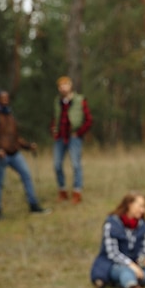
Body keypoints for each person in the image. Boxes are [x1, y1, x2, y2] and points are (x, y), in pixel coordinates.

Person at [0, 91, 51, 219]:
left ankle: (33, 205)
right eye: (2, 99)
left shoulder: (10, 115)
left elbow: (15, 137)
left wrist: (28, 146)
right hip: (1, 154)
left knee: (26, 175)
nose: (5, 101)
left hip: (14, 153)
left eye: (7, 98)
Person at [90, 191, 145, 288]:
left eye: (144, 207)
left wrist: (142, 261)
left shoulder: (142, 226)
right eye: (140, 206)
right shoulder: (111, 224)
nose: (143, 210)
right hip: (113, 264)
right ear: (129, 205)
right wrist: (131, 265)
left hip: (135, 264)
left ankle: (124, 282)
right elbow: (112, 253)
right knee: (125, 271)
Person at [50, 76, 93, 204]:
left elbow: (89, 120)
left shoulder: (80, 100)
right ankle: (62, 192)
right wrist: (53, 129)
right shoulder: (57, 101)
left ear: (70, 86)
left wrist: (79, 133)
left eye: (65, 85)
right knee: (57, 165)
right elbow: (55, 118)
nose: (63, 88)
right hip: (60, 138)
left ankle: (77, 193)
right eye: (60, 86)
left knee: (75, 165)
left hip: (74, 137)